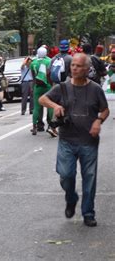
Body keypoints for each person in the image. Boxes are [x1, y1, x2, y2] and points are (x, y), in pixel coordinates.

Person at [39, 53, 109, 227]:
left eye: (79, 66)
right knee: (66, 176)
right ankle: (71, 198)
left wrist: (98, 121)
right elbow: (42, 99)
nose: (74, 68)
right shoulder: (62, 88)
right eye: (73, 65)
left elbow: (105, 110)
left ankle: (88, 213)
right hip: (67, 140)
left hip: (89, 141)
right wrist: (55, 106)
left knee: (89, 179)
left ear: (87, 69)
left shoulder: (95, 89)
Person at [30, 46, 57, 137]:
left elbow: (33, 77)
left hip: (37, 87)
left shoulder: (33, 62)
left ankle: (34, 126)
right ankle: (51, 125)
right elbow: (51, 74)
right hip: (48, 86)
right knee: (50, 106)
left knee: (36, 108)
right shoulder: (49, 61)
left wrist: (34, 87)